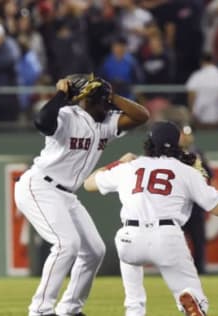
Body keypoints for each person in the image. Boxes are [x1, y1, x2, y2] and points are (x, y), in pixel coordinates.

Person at [14, 73, 149, 316]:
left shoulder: (107, 123)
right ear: (85, 99)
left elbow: (142, 116)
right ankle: (40, 310)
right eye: (101, 101)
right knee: (67, 244)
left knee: (94, 250)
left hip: (66, 195)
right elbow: (41, 122)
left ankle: (70, 309)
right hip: (39, 186)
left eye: (106, 102)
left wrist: (114, 97)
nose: (105, 106)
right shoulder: (68, 115)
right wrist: (61, 96)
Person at [83, 121, 218, 316]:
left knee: (133, 293)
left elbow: (88, 184)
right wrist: (201, 177)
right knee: (193, 296)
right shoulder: (185, 170)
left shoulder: (130, 167)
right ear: (177, 143)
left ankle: (134, 309)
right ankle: (190, 297)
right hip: (166, 236)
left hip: (129, 238)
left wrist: (118, 162)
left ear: (148, 142)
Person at [180, 124, 214, 274]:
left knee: (198, 241)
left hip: (195, 206)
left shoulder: (197, 153)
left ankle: (200, 270)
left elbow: (209, 175)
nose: (187, 137)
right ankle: (180, 271)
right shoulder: (172, 154)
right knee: (177, 242)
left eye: (189, 134)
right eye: (184, 134)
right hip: (178, 205)